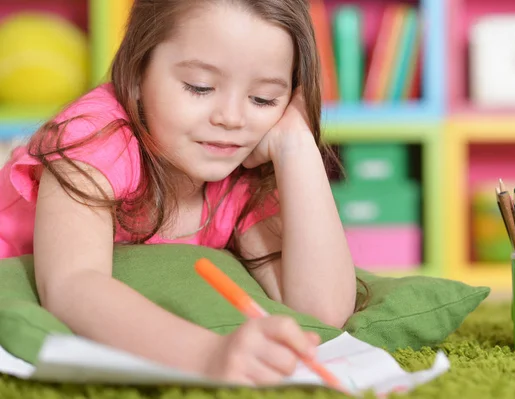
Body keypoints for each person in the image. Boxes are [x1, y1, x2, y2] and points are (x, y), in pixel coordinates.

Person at [0, 0, 361, 385]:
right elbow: (73, 285)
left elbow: (323, 311)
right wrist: (208, 355)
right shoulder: (92, 137)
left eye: (263, 99)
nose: (232, 118)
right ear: (137, 74)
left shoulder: (240, 168)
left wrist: (296, 144)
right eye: (199, 87)